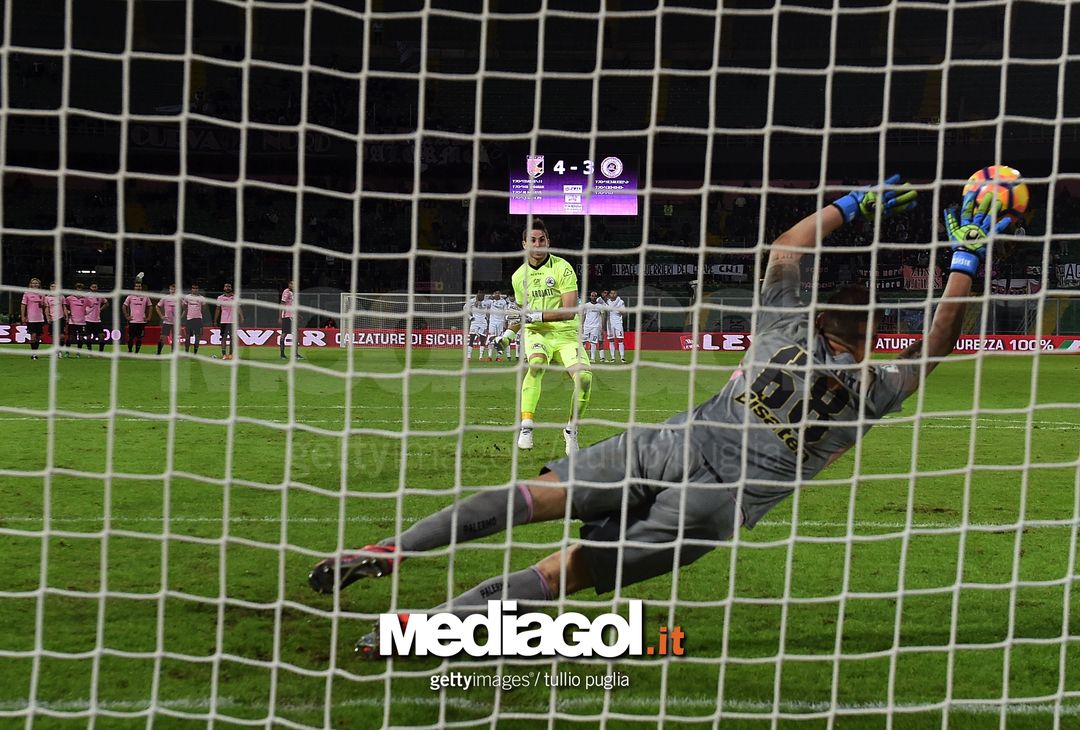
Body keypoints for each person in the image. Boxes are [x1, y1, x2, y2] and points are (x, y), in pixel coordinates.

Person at [308, 176, 1011, 657]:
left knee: (524, 500)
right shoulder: (871, 390)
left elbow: (788, 249)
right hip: (715, 504)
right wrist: (964, 260)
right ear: (871, 335)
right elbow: (936, 346)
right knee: (562, 574)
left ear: (821, 315)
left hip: (668, 447)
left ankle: (385, 553)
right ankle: (422, 630)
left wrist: (855, 204)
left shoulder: (781, 330)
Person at [496, 218, 592, 453]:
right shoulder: (519, 277)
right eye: (533, 240)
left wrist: (534, 316)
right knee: (536, 363)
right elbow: (522, 316)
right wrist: (507, 336)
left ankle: (571, 429)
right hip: (537, 334)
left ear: (548, 242)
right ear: (524, 244)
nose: (537, 245)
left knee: (585, 379)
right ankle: (526, 426)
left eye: (542, 240)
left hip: (567, 334)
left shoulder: (563, 268)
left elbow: (569, 310)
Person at [122, 279, 153, 354]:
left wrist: (149, 317)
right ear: (134, 288)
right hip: (132, 321)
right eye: (137, 286)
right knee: (130, 338)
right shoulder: (130, 297)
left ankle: (137, 352)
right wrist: (126, 316)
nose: (138, 288)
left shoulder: (145, 297)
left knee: (139, 338)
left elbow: (151, 306)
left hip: (142, 321)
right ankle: (129, 351)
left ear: (141, 287)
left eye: (139, 286)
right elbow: (124, 306)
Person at [215, 282, 243, 360]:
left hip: (233, 321)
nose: (227, 288)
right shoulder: (220, 298)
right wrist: (215, 320)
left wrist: (241, 317)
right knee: (223, 338)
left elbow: (238, 308)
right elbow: (217, 309)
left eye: (229, 286)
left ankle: (231, 354)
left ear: (231, 288)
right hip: (223, 321)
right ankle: (224, 354)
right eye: (226, 286)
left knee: (232, 338)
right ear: (224, 288)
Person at [20, 277, 45, 360]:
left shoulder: (42, 294)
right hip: (31, 318)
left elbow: (44, 305)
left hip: (40, 318)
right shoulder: (27, 293)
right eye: (33, 283)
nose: (35, 284)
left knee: (38, 337)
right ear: (30, 284)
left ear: (39, 285)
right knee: (33, 335)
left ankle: (36, 352)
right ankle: (33, 353)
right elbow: (23, 305)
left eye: (36, 283)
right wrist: (23, 316)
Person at [279, 280, 302, 360]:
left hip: (292, 316)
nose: (294, 285)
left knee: (295, 335)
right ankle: (282, 354)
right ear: (289, 284)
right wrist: (280, 317)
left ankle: (295, 354)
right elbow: (282, 304)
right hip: (287, 316)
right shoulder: (286, 292)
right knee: (284, 335)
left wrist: (297, 315)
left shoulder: (292, 293)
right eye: (292, 284)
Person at [83, 282, 109, 353]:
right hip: (88, 319)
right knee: (88, 337)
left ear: (97, 288)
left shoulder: (100, 296)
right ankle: (90, 352)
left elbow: (107, 303)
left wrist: (100, 309)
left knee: (102, 336)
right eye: (93, 287)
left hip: (97, 320)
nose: (94, 288)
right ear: (90, 288)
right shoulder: (86, 295)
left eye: (95, 287)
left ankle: (101, 352)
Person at [486, 290, 509, 363]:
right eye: (495, 293)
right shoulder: (490, 301)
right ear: (493, 294)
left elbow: (506, 313)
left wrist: (505, 323)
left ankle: (498, 357)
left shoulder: (504, 302)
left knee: (499, 340)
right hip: (492, 323)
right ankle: (489, 356)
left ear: (500, 294)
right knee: (491, 340)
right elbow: (483, 304)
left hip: (500, 322)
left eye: (498, 293)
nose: (497, 294)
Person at [604, 287, 627, 363]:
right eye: (611, 293)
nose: (613, 294)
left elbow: (624, 313)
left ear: (616, 294)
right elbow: (605, 312)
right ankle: (613, 357)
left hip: (618, 323)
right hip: (609, 323)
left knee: (620, 339)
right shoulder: (607, 302)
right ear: (609, 294)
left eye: (614, 293)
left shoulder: (620, 302)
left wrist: (620, 314)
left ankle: (622, 357)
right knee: (611, 340)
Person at [463, 290, 487, 361]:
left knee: (482, 340)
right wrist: (470, 317)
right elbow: (464, 308)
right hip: (475, 322)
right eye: (480, 294)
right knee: (471, 339)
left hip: (483, 323)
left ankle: (481, 356)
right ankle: (469, 356)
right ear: (477, 294)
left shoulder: (487, 302)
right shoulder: (472, 301)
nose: (481, 296)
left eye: (483, 295)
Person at [581, 290, 604, 363]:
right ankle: (582, 357)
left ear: (596, 297)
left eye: (595, 296)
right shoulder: (586, 305)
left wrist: (602, 327)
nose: (593, 297)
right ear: (590, 297)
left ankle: (592, 358)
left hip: (595, 327)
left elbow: (603, 315)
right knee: (583, 342)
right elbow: (583, 315)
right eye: (592, 296)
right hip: (586, 326)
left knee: (593, 342)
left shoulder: (600, 306)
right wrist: (581, 325)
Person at [65, 282, 87, 356]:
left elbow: (91, 306)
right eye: (78, 289)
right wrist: (67, 312)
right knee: (70, 338)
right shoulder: (69, 298)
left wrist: (87, 312)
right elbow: (64, 306)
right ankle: (67, 352)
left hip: (82, 322)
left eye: (80, 289)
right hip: (72, 321)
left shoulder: (85, 299)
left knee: (80, 338)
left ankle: (78, 352)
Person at [155, 284, 179, 355]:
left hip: (175, 323)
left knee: (175, 339)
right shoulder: (165, 298)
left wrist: (181, 317)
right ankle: (158, 353)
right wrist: (161, 316)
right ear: (169, 289)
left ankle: (173, 353)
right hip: (167, 322)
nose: (173, 291)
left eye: (174, 289)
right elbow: (157, 307)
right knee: (162, 338)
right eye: (171, 289)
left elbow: (185, 308)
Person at [183, 283, 204, 355]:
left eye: (196, 288)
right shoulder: (187, 297)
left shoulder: (201, 298)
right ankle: (186, 352)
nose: (195, 289)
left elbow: (203, 308)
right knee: (187, 336)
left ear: (198, 289)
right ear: (191, 289)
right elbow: (184, 306)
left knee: (197, 337)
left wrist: (198, 313)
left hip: (198, 319)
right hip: (189, 319)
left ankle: (195, 353)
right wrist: (188, 312)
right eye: (193, 288)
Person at [45, 282, 65, 357]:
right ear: (50, 287)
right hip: (52, 319)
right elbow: (46, 309)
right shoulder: (47, 297)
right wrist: (47, 317)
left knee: (62, 336)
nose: (54, 288)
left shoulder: (61, 297)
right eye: (52, 286)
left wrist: (66, 315)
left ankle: (60, 349)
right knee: (54, 336)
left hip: (61, 318)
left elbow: (64, 307)